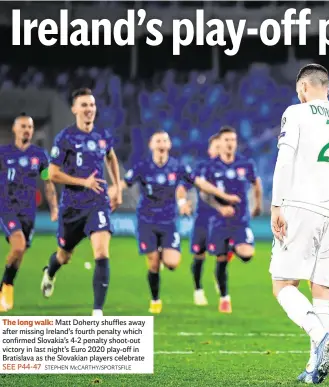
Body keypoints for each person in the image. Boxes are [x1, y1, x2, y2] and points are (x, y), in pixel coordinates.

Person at [269, 64, 329, 384]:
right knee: (322, 288)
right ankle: (312, 368)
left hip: (302, 206)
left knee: (282, 284)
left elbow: (286, 158)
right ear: (327, 88)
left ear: (304, 88)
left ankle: (320, 336)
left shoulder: (296, 112)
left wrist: (276, 203)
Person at [115, 130, 239, 314]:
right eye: (158, 140)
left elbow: (199, 184)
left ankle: (166, 256)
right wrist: (108, 195)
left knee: (172, 263)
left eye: (165, 140)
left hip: (169, 221)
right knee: (154, 263)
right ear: (151, 145)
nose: (162, 143)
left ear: (169, 145)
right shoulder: (143, 167)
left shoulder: (178, 166)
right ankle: (156, 300)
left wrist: (224, 196)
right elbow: (122, 185)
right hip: (147, 220)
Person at [40, 88, 123, 317]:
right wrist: (82, 182)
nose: (89, 109)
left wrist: (116, 186)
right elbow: (52, 174)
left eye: (92, 105)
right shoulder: (65, 138)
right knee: (64, 256)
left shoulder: (102, 135)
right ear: (75, 109)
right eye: (84, 105)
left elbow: (111, 156)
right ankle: (50, 272)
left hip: (98, 202)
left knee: (101, 252)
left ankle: (97, 312)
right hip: (72, 206)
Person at [201, 126, 262, 314]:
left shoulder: (245, 164)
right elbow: (204, 194)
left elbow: (256, 183)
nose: (230, 144)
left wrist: (257, 205)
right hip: (219, 221)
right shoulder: (211, 167)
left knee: (247, 254)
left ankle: (233, 248)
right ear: (220, 144)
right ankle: (224, 298)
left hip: (240, 220)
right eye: (226, 140)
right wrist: (220, 207)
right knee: (220, 259)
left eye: (233, 140)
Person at [0, 114, 58, 311]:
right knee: (18, 246)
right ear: (15, 130)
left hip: (28, 212)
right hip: (7, 208)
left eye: (30, 127)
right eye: (23, 126)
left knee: (20, 251)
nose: (27, 130)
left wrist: (54, 207)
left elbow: (47, 182)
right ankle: (5, 287)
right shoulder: (3, 153)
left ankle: (9, 283)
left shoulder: (40, 156)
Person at [189, 134, 220, 306]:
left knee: (222, 253)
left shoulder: (231, 166)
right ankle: (198, 289)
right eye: (215, 146)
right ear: (209, 149)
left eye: (220, 146)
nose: (218, 150)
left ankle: (218, 277)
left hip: (222, 219)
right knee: (199, 254)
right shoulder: (202, 167)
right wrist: (182, 201)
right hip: (203, 216)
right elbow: (186, 185)